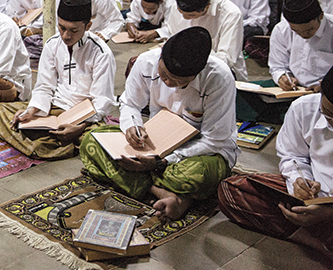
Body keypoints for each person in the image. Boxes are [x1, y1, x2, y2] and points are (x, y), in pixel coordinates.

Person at [81, 27, 238, 222]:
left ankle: (148, 183)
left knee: (193, 175)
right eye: (163, 73)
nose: (167, 81)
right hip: (153, 143)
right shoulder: (145, 62)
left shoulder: (219, 78)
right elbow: (130, 103)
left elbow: (214, 139)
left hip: (198, 153)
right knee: (91, 142)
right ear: (161, 54)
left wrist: (163, 162)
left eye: (178, 81)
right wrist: (133, 127)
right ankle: (166, 194)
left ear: (198, 73)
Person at [218, 65, 333, 258]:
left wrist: (329, 212)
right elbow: (293, 156)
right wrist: (300, 180)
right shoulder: (304, 109)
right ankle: (316, 243)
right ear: (320, 89)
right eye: (328, 113)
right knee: (233, 190)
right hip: (315, 198)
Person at [0, 0, 116, 160]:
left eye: (73, 30)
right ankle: (53, 144)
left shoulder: (101, 53)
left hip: (86, 117)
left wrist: (80, 126)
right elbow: (44, 86)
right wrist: (32, 110)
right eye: (61, 28)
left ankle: (47, 143)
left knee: (96, 139)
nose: (66, 36)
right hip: (54, 108)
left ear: (88, 26)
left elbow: (102, 102)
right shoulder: (52, 44)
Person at [168, 0, 247, 80]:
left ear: (207, 7)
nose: (185, 18)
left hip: (219, 73)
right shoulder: (176, 6)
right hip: (183, 69)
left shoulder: (231, 14)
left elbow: (226, 61)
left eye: (191, 15)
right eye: (181, 12)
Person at [269, 0, 333, 93]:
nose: (303, 35)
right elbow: (277, 66)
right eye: (296, 31)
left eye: (309, 30)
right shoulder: (282, 30)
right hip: (295, 90)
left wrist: (327, 86)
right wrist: (283, 77)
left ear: (321, 15)